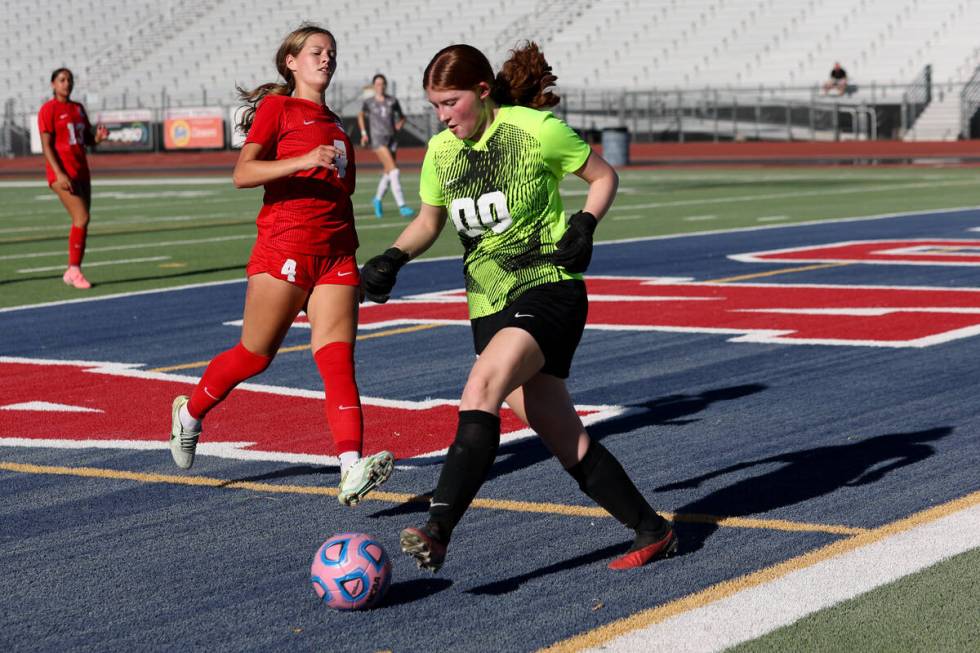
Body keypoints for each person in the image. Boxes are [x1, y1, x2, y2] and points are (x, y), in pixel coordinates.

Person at [360, 43, 677, 571]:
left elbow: (603, 177)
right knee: (563, 435)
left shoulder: (535, 130)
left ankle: (438, 527)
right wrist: (394, 256)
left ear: (483, 92)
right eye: (434, 106)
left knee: (480, 387)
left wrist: (585, 223)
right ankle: (651, 528)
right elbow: (429, 222)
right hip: (487, 303)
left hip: (549, 287)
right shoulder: (441, 152)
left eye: (450, 102)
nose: (442, 116)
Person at [167, 24, 393, 507]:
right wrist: (303, 159)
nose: (326, 59)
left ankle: (351, 467)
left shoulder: (335, 122)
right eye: (316, 52)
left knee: (337, 362)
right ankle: (190, 413)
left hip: (336, 254)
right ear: (291, 61)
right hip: (284, 248)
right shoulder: (277, 109)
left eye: (331, 52)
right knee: (255, 354)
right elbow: (242, 174)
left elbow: (341, 193)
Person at [38, 68, 109, 290]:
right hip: (62, 173)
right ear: (53, 84)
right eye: (61, 80)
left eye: (69, 80)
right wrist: (59, 173)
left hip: (81, 171)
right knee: (82, 217)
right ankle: (74, 270)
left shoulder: (78, 108)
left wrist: (97, 138)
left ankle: (72, 270)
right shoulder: (48, 110)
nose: (66, 84)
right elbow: (46, 145)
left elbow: (87, 138)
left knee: (83, 222)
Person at [357, 74, 415, 218]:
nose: (380, 86)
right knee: (394, 171)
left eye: (382, 83)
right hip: (378, 140)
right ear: (373, 86)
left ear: (385, 85)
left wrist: (399, 125)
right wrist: (364, 133)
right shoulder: (368, 102)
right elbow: (360, 116)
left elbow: (402, 117)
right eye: (377, 84)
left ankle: (377, 200)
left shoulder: (392, 101)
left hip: (392, 139)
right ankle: (402, 206)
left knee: (388, 173)